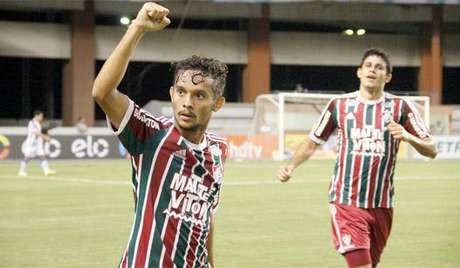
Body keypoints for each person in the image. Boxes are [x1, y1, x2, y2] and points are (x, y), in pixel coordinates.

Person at [92, 2, 228, 268]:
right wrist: (138, 28)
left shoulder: (219, 150)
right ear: (171, 94)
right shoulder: (151, 134)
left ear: (217, 104)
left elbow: (205, 217)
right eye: (181, 92)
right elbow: (102, 93)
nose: (187, 102)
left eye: (199, 95)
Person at [277, 48, 437, 268]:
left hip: (382, 205)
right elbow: (313, 141)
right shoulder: (339, 105)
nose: (373, 70)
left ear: (387, 77)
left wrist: (409, 137)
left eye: (379, 67)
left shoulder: (401, 107)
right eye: (368, 66)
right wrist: (291, 166)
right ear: (359, 72)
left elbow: (432, 149)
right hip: (346, 202)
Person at [18, 110, 56, 176]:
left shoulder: (39, 123)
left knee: (42, 156)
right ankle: (21, 171)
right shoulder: (32, 122)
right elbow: (36, 133)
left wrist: (46, 135)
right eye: (41, 116)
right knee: (27, 157)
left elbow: (42, 131)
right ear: (36, 116)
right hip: (32, 143)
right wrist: (45, 137)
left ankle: (46, 171)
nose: (42, 117)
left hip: (38, 143)